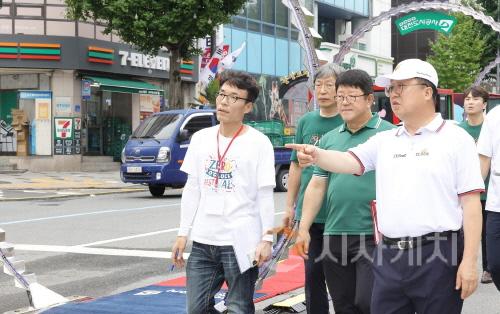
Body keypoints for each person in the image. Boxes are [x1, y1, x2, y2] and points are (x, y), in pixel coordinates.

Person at [287, 59, 484, 314]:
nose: (393, 94)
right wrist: (316, 154)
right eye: (391, 88)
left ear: (427, 92)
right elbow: (348, 161)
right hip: (389, 254)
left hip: (438, 253)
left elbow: (470, 205)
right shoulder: (387, 140)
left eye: (401, 86)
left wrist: (470, 262)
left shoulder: (457, 140)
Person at [171, 70, 276, 313]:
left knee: (238, 307)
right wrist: (182, 233)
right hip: (203, 240)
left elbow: (264, 194)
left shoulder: (259, 143)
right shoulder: (200, 139)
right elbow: (193, 188)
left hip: (241, 240)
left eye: (233, 97)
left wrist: (266, 239)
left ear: (247, 107)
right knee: (196, 308)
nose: (224, 102)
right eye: (222, 95)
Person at [297, 69, 394, 314]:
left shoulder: (389, 135)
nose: (345, 102)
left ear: (370, 99)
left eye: (352, 96)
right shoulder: (329, 139)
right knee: (343, 304)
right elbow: (317, 185)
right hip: (335, 232)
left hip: (373, 235)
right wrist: (303, 228)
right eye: (341, 96)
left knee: (368, 302)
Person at [282, 63, 344, 314]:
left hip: (342, 215)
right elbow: (296, 167)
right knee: (313, 275)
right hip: (311, 214)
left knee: (342, 279)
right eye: (319, 85)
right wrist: (290, 205)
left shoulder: (348, 119)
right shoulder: (306, 121)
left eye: (330, 85)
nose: (323, 90)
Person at [458, 86, 492, 284]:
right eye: (467, 98)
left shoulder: (491, 128)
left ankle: (488, 268)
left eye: (475, 99)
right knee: (463, 231)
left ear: (484, 104)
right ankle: (462, 264)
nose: (470, 102)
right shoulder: (458, 130)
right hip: (464, 190)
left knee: (487, 231)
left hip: (488, 190)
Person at [477, 104, 500, 291]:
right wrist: (472, 195)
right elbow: (484, 159)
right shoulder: (494, 116)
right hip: (496, 205)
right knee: (495, 263)